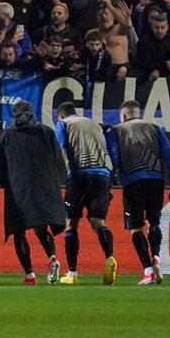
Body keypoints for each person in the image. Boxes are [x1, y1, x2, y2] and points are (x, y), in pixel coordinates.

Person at [0, 99, 67, 284]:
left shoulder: (7, 136)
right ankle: (52, 257)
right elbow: (58, 159)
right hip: (44, 186)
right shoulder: (46, 132)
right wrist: (57, 183)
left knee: (18, 232)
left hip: (17, 188)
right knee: (41, 228)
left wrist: (6, 183)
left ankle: (29, 274)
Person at [110, 100, 170, 285]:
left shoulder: (117, 130)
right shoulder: (155, 128)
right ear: (137, 113)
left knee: (136, 227)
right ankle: (156, 257)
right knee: (154, 222)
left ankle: (148, 270)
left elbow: (114, 158)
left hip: (133, 181)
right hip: (156, 180)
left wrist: (110, 181)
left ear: (123, 115)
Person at [53, 100, 117, 284]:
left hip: (80, 174)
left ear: (61, 115)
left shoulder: (64, 124)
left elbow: (59, 148)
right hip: (104, 174)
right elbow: (111, 146)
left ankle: (72, 274)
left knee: (71, 223)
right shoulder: (95, 124)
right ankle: (110, 257)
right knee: (98, 221)